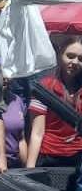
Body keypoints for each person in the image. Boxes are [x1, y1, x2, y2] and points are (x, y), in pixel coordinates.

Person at [27, 37, 82, 168]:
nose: (75, 62)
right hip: (49, 156)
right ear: (60, 55)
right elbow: (37, 132)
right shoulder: (45, 88)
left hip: (78, 156)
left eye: (80, 59)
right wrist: (30, 168)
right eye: (70, 56)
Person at [0, 73, 27, 175]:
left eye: (8, 73)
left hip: (14, 166)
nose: (6, 78)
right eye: (1, 73)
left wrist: (27, 169)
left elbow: (21, 138)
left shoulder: (17, 100)